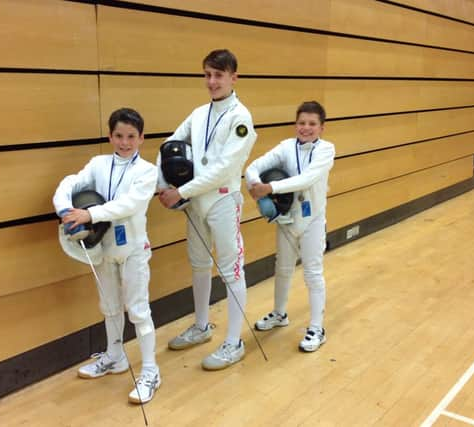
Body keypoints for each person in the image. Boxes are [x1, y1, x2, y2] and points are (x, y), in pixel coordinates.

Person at [158, 49, 257, 370]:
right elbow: (170, 145)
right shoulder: (199, 113)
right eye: (208, 75)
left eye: (218, 75)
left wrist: (181, 191)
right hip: (196, 204)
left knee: (231, 270)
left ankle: (234, 341)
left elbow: (224, 167)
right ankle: (201, 326)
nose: (212, 81)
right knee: (199, 264)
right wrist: (162, 184)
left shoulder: (240, 118)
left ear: (233, 77)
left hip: (223, 202)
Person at [53, 108, 160, 403]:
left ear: (141, 138)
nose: (124, 142)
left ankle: (150, 370)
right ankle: (115, 356)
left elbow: (127, 205)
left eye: (131, 137)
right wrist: (64, 209)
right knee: (110, 306)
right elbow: (69, 182)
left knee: (138, 309)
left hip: (134, 251)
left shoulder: (148, 171)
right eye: (118, 136)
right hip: (103, 249)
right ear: (110, 136)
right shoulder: (98, 164)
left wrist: (88, 214)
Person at [245, 101, 335, 352]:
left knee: (312, 274)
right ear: (296, 124)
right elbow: (253, 168)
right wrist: (257, 190)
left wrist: (270, 188)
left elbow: (307, 178)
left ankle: (317, 327)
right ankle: (279, 314)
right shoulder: (286, 147)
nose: (306, 128)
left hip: (313, 221)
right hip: (287, 221)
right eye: (302, 123)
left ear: (321, 127)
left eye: (312, 124)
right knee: (282, 269)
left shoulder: (326, 150)